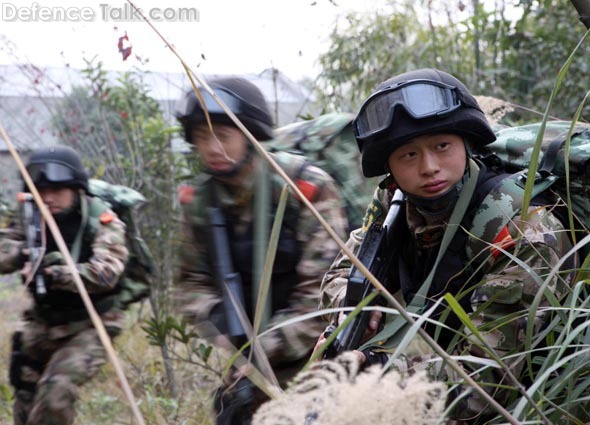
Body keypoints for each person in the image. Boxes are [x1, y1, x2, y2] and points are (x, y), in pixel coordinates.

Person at [318, 68, 578, 422]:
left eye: (442, 146)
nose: (429, 168)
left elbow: (490, 378)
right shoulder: (392, 201)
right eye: (408, 155)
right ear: (390, 169)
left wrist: (382, 377)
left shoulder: (521, 227)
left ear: (467, 143)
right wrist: (356, 308)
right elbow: (341, 272)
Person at [173, 77, 349, 424]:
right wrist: (219, 319)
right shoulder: (200, 202)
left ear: (249, 133)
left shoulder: (305, 189)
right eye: (202, 137)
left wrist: (262, 348)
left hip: (319, 349)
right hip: (251, 356)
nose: (211, 148)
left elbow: (325, 295)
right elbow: (188, 283)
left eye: (222, 135)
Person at [0, 146, 129, 425]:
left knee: (55, 392)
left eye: (57, 190)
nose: (47, 198)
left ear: (76, 189)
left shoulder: (101, 219)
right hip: (43, 322)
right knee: (25, 395)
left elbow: (108, 271)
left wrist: (58, 274)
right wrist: (22, 252)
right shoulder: (28, 214)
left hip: (91, 323)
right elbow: (4, 250)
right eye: (41, 189)